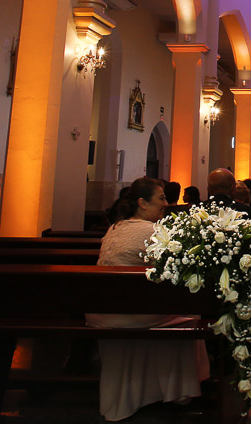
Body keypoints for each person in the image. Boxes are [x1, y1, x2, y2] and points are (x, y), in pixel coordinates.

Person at [88, 178, 209, 421]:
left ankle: (151, 386)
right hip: (132, 314)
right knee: (190, 314)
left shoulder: (115, 227)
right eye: (161, 199)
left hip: (101, 311)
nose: (166, 203)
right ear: (142, 203)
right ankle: (178, 390)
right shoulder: (152, 231)